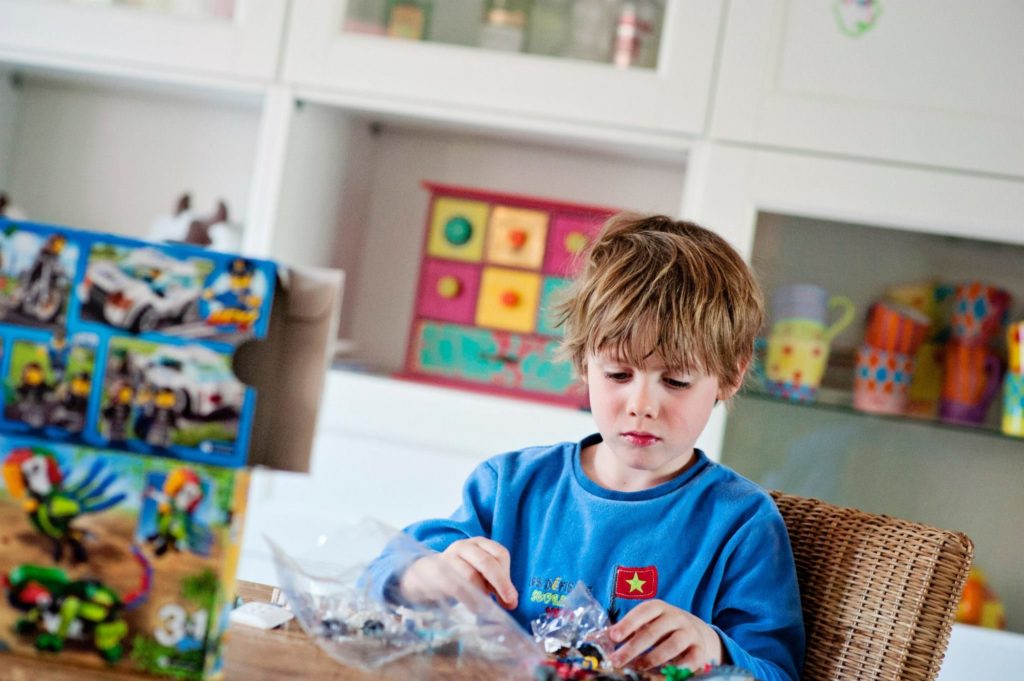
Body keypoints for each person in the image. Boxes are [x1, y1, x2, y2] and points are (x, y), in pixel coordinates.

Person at [368, 214, 804, 680]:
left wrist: (714, 648)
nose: (641, 405)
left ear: (731, 376)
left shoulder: (740, 522)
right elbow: (381, 577)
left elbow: (776, 671)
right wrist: (427, 576)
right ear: (582, 362)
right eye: (618, 374)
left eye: (676, 381)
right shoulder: (511, 487)